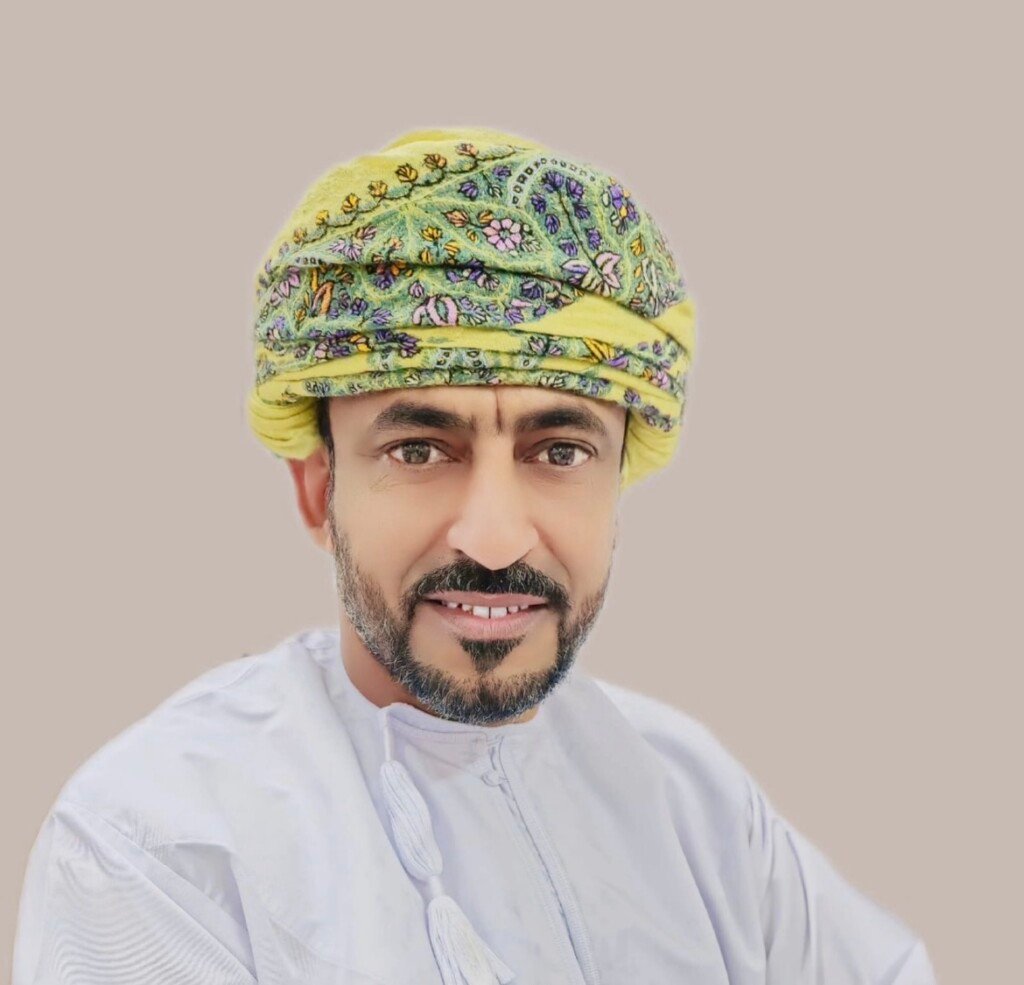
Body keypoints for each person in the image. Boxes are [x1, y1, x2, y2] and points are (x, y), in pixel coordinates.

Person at [12, 127, 937, 984]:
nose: (494, 537)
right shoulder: (162, 845)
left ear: (616, 485)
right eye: (420, 450)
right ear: (318, 490)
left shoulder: (692, 800)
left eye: (559, 452)